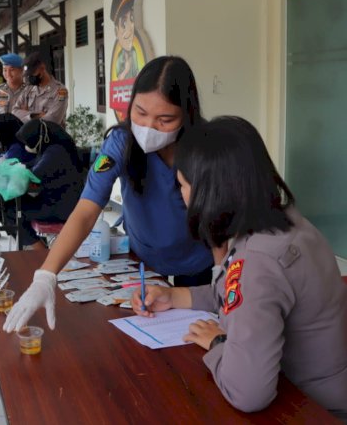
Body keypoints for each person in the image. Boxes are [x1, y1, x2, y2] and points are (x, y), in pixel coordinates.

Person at [131, 116, 347, 419]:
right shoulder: (285, 222)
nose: (181, 196)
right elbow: (242, 296)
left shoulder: (259, 260)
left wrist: (218, 341)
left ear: (208, 193)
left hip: (312, 409)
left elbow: (247, 393)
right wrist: (177, 297)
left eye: (181, 185)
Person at [3, 55, 213, 333]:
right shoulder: (121, 142)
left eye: (165, 119)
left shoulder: (208, 150)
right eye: (140, 113)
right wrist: (45, 276)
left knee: (194, 338)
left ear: (187, 114)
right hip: (144, 261)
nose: (149, 127)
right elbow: (87, 209)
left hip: (198, 262)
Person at [0, 119, 87, 251]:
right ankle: (36, 244)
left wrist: (11, 173)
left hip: (59, 207)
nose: (26, 146)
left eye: (28, 142)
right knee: (7, 204)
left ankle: (40, 250)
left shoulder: (55, 152)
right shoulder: (55, 147)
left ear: (39, 138)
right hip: (59, 202)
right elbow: (32, 165)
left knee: (10, 209)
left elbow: (33, 176)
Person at [11, 52, 68, 127]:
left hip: (51, 136)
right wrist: (34, 115)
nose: (29, 77)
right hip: (29, 136)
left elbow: (53, 119)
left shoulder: (60, 90)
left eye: (32, 74)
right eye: (28, 75)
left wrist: (25, 114)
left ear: (42, 68)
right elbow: (14, 112)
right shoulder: (28, 90)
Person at [0, 53, 27, 123]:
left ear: (22, 70)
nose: (8, 74)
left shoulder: (31, 91)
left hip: (25, 132)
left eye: (12, 70)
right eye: (5, 70)